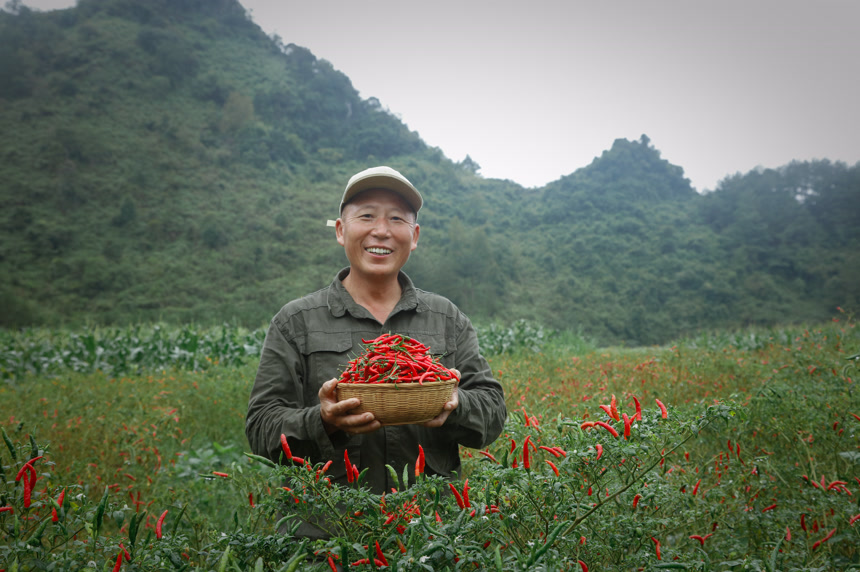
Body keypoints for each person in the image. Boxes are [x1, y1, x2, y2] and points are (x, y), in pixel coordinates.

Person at [245, 165, 507, 538]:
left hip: (430, 537)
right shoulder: (296, 322)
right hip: (328, 539)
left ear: (414, 236)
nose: (381, 230)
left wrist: (455, 404)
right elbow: (261, 428)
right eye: (366, 216)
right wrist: (323, 421)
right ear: (341, 230)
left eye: (396, 219)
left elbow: (493, 411)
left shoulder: (447, 319)